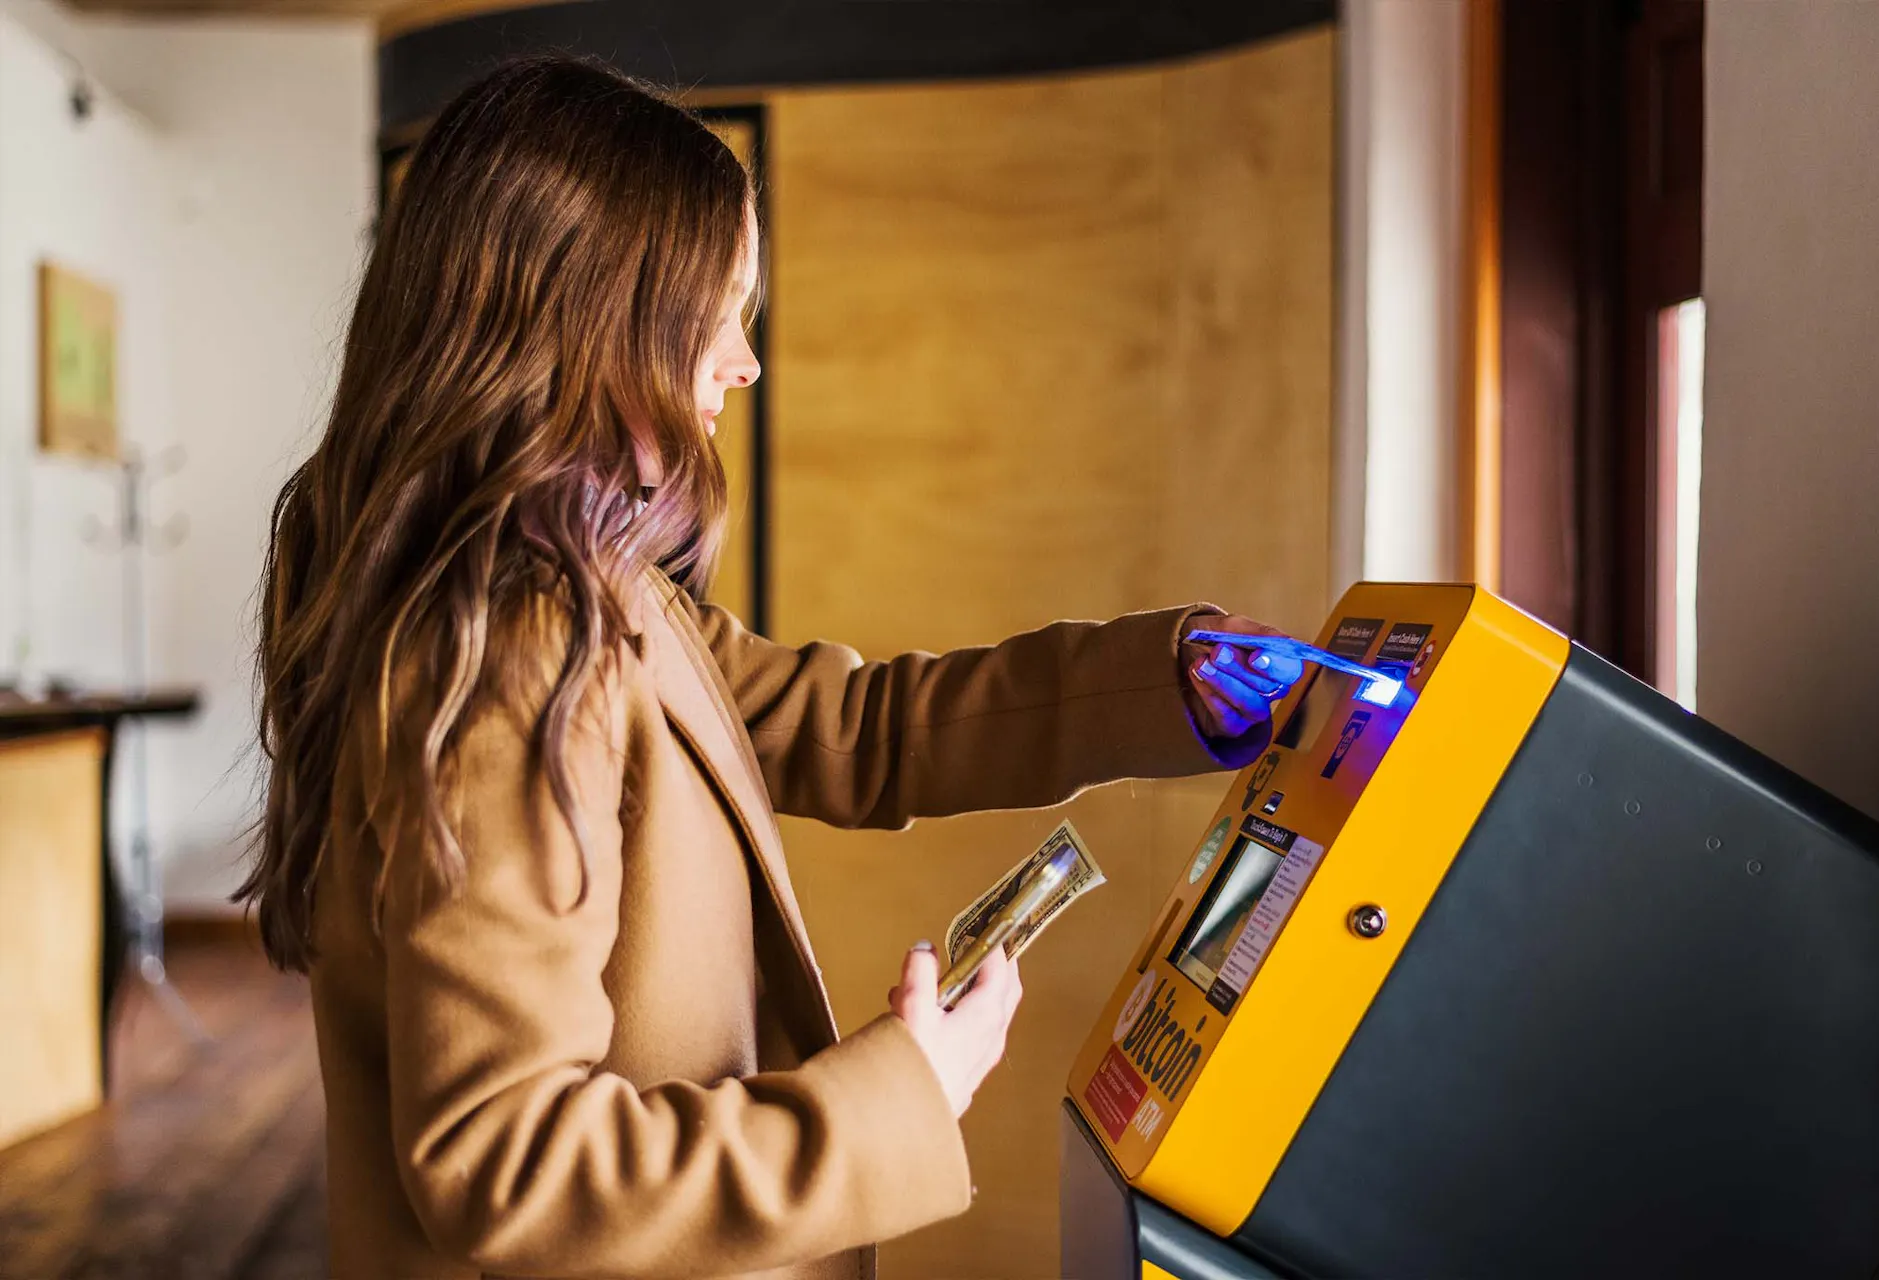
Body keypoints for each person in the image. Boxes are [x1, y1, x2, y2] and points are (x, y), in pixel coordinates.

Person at [240, 55, 1300, 1280]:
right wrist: (900, 1090)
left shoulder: (583, 585)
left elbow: (857, 725)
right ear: (591, 316)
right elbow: (509, 1162)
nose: (743, 362)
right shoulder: (511, 638)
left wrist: (1174, 682)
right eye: (719, 311)